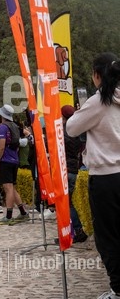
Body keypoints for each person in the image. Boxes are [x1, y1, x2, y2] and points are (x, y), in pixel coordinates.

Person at [66, 53, 120, 299]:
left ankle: (118, 289)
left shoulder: (99, 101)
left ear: (97, 75)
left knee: (108, 237)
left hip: (106, 179)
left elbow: (71, 128)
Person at [0, 105, 29, 225]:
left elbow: (1, 146)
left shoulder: (3, 127)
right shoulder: (15, 126)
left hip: (5, 161)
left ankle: (8, 216)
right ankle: (23, 213)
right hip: (14, 160)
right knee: (12, 188)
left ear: (2, 115)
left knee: (7, 189)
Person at [61, 105, 88, 243]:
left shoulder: (62, 131)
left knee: (67, 203)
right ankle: (75, 230)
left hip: (65, 169)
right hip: (75, 168)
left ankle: (77, 231)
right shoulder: (78, 130)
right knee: (71, 202)